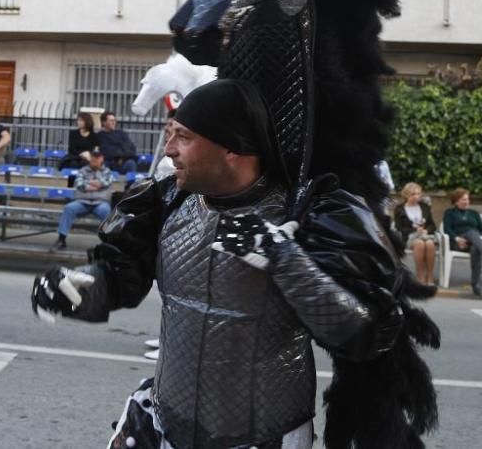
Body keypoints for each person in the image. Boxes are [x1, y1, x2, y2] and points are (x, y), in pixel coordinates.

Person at [33, 80, 397, 448]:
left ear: (232, 149)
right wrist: (82, 289)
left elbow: (359, 334)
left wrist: (285, 258)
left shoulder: (306, 213)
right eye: (171, 134)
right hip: (162, 427)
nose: (169, 150)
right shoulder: (165, 201)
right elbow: (120, 279)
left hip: (264, 438)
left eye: (184, 137)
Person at [51, 147, 113, 251]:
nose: (95, 159)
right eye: (93, 157)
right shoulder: (83, 170)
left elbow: (106, 182)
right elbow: (79, 184)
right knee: (69, 208)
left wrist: (92, 181)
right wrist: (95, 184)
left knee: (107, 211)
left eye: (97, 157)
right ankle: (61, 239)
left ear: (101, 158)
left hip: (100, 202)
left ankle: (108, 242)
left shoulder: (107, 171)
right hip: (82, 201)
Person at [442, 187, 482, 296]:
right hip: (458, 243)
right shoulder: (449, 213)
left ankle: (475, 284)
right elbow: (447, 229)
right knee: (472, 233)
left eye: (467, 199)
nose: (466, 202)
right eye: (463, 200)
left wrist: (481, 238)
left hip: (474, 242)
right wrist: (457, 238)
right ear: (456, 201)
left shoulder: (474, 213)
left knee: (475, 246)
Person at [393, 182, 438, 285]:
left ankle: (430, 276)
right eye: (413, 194)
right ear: (406, 195)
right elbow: (398, 227)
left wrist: (427, 230)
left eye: (418, 194)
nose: (416, 196)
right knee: (420, 244)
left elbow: (432, 225)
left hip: (425, 235)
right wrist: (413, 229)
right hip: (409, 237)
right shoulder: (400, 209)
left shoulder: (425, 207)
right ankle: (420, 276)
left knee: (430, 244)